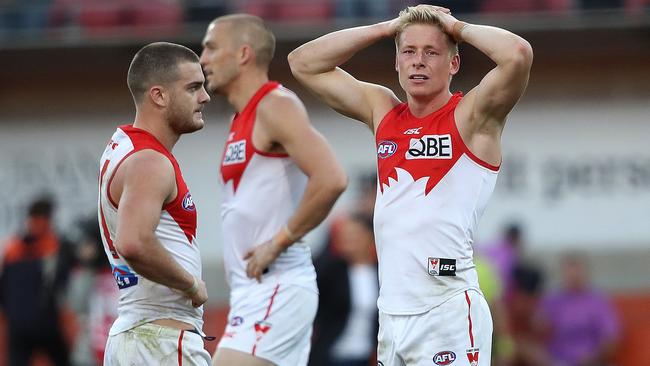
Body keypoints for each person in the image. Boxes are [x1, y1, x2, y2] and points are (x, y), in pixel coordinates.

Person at [289, 4, 533, 365]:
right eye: (409, 52)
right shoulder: (382, 110)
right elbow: (303, 62)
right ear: (397, 63)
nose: (418, 61)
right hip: (391, 316)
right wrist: (388, 28)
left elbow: (517, 54)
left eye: (431, 52)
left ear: (453, 64)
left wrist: (455, 26)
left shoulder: (472, 116)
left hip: (446, 307)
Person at [199, 14, 347, 366]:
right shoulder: (243, 117)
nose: (202, 59)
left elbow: (332, 178)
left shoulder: (275, 105)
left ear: (243, 54)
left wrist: (278, 243)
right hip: (254, 291)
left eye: (211, 47)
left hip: (276, 286)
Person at [97, 42, 212, 365]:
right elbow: (133, 243)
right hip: (159, 340)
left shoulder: (123, 147)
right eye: (193, 88)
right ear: (159, 96)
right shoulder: (151, 161)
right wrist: (191, 285)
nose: (205, 97)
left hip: (139, 337)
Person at [0, 196, 73, 366]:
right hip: (45, 323)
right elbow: (63, 284)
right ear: (47, 218)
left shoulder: (12, 248)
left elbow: (2, 290)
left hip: (17, 324)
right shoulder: (54, 247)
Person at [310, 213, 378, 366]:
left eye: (355, 235)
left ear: (370, 237)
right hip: (331, 356)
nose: (349, 241)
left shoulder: (380, 273)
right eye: (344, 235)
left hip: (366, 357)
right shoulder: (332, 270)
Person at [540, 254, 619, 366]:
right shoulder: (552, 300)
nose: (573, 277)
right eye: (569, 273)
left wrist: (593, 357)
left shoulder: (598, 301)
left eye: (577, 272)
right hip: (558, 360)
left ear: (586, 274)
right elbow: (538, 328)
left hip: (592, 360)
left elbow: (611, 337)